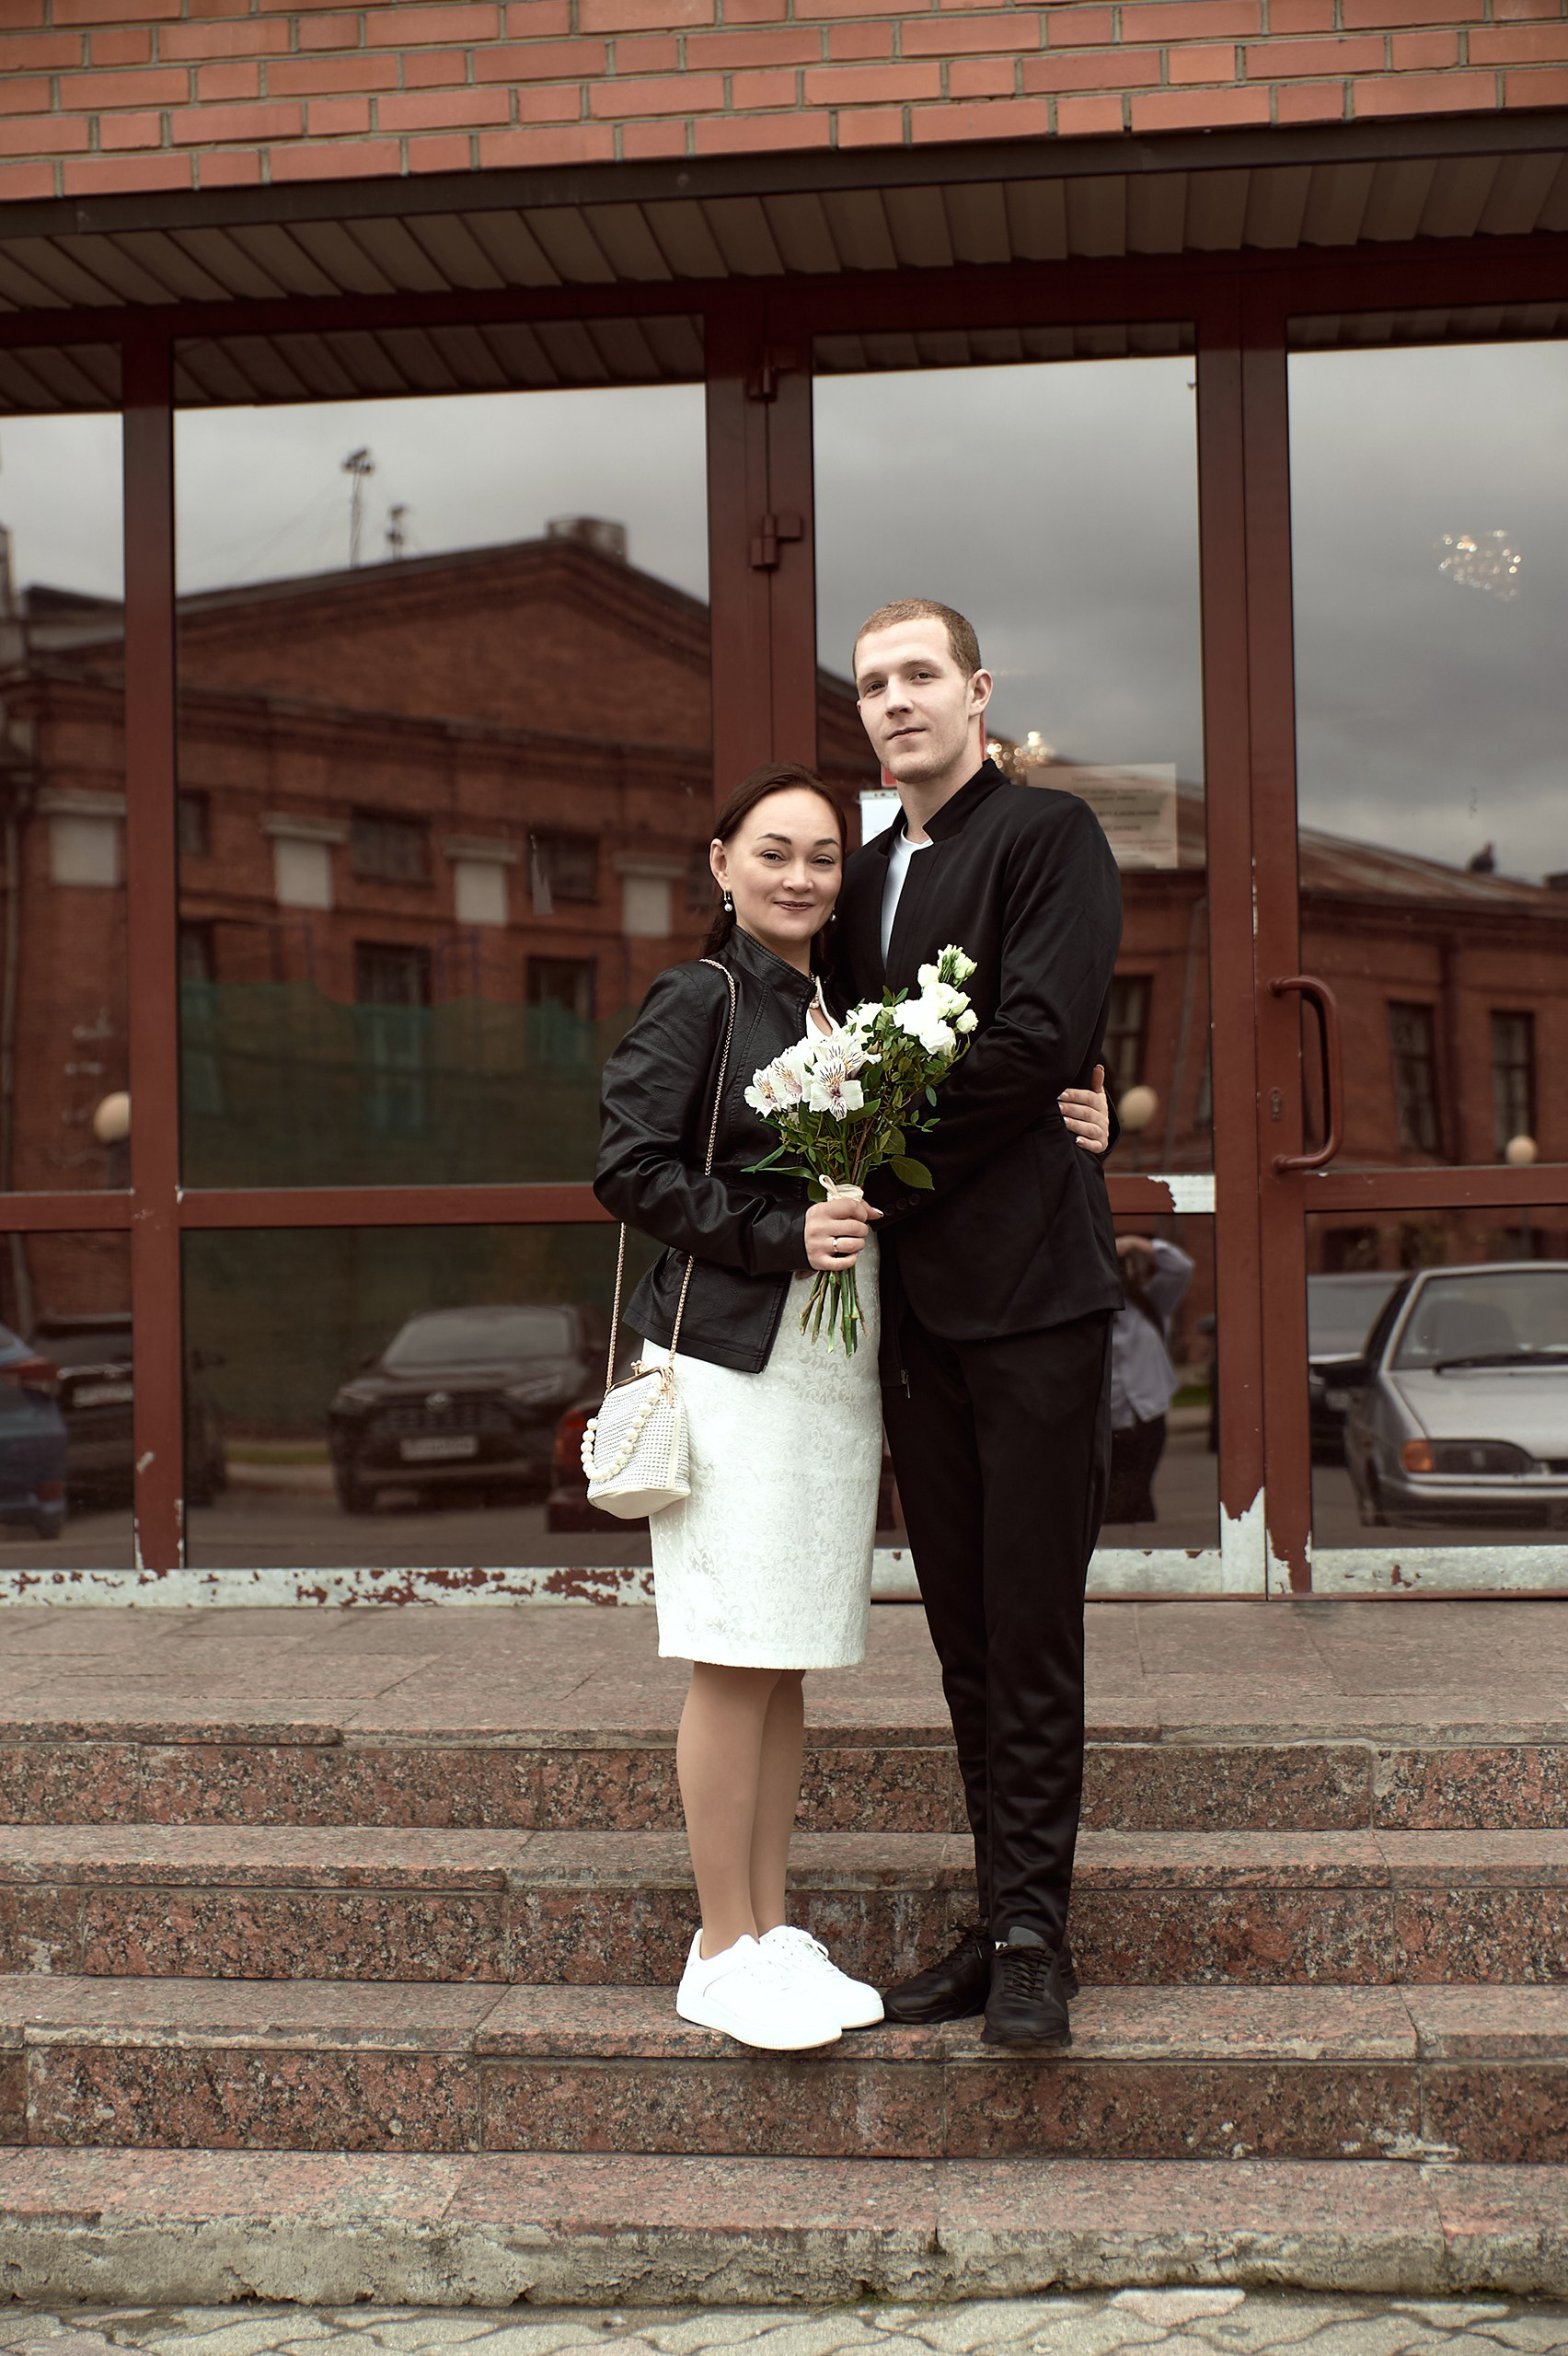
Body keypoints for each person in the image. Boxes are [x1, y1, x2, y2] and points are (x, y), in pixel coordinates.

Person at [595, 759, 1110, 2057]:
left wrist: (1076, 1103)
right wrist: (778, 1235)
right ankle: (722, 1946)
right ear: (721, 865)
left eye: (823, 857)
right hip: (735, 1363)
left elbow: (957, 1095)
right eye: (772, 853)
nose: (800, 876)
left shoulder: (839, 1005)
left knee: (780, 1657)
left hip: (823, 1378)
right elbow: (627, 1166)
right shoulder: (703, 996)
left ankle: (768, 1930)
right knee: (733, 1651)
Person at [832, 597, 1124, 2052]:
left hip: (1033, 1298)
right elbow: (815, 1047)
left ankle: (1032, 1940)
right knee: (961, 1633)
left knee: (1029, 1623)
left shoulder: (1048, 836)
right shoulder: (858, 877)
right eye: (871, 684)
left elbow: (1038, 1040)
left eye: (919, 675)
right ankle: (997, 1910)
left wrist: (871, 1152)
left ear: (977, 691)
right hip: (913, 1313)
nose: (895, 701)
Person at [1106, 1233, 1194, 1525]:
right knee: (1108, 1500)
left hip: (1147, 1417)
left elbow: (1180, 1267)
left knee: (1135, 1494)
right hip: (1103, 1422)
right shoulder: (1083, 1311)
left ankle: (1141, 1544)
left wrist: (1132, 1244)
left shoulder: (1151, 1303)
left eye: (1122, 1266)